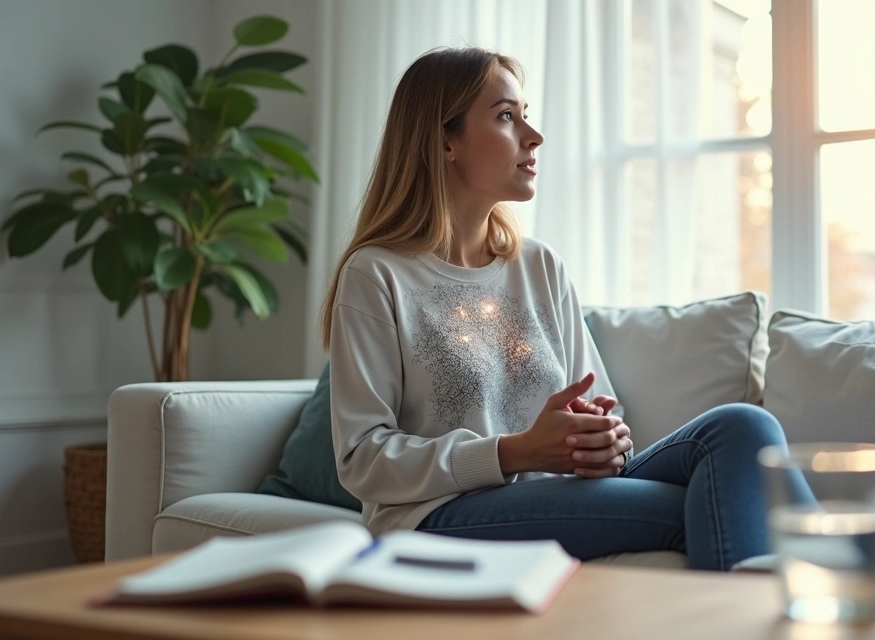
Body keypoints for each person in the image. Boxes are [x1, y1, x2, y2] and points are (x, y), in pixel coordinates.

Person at [320, 47, 808, 572]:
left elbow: (603, 410)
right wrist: (514, 452)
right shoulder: (377, 275)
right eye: (507, 117)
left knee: (743, 428)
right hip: (437, 514)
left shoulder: (538, 265)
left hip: (562, 493)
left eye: (525, 115)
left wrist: (607, 443)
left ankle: (830, 581)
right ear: (445, 140)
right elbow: (362, 458)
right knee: (706, 502)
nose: (534, 136)